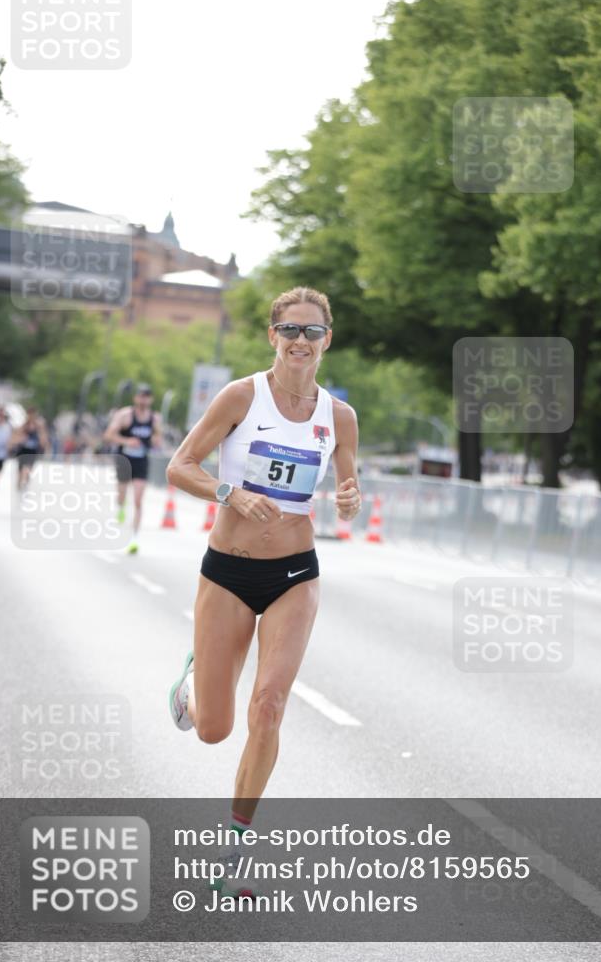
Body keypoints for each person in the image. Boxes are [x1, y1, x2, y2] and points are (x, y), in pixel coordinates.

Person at [165, 287, 362, 898]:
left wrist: (351, 497)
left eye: (312, 331)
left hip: (295, 574)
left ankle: (235, 851)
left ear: (327, 338)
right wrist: (230, 494)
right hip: (227, 570)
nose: (300, 341)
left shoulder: (340, 416)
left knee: (270, 706)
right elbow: (181, 465)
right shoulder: (241, 397)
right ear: (271, 336)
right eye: (289, 330)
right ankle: (192, 687)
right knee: (215, 729)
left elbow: (349, 484)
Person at [103, 384, 163, 554]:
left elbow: (158, 436)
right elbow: (108, 435)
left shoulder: (155, 418)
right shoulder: (124, 415)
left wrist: (156, 440)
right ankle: (121, 507)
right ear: (135, 398)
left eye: (147, 396)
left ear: (151, 399)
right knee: (121, 496)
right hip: (124, 460)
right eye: (141, 396)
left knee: (138, 500)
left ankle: (134, 538)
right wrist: (126, 442)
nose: (144, 399)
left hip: (141, 461)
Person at [13, 406, 50, 492]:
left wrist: (45, 445)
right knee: (20, 468)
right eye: (30, 414)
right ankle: (19, 483)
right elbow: (17, 434)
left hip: (32, 450)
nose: (31, 416)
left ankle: (25, 480)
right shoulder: (24, 424)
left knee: (28, 467)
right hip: (23, 449)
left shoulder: (39, 425)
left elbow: (43, 436)